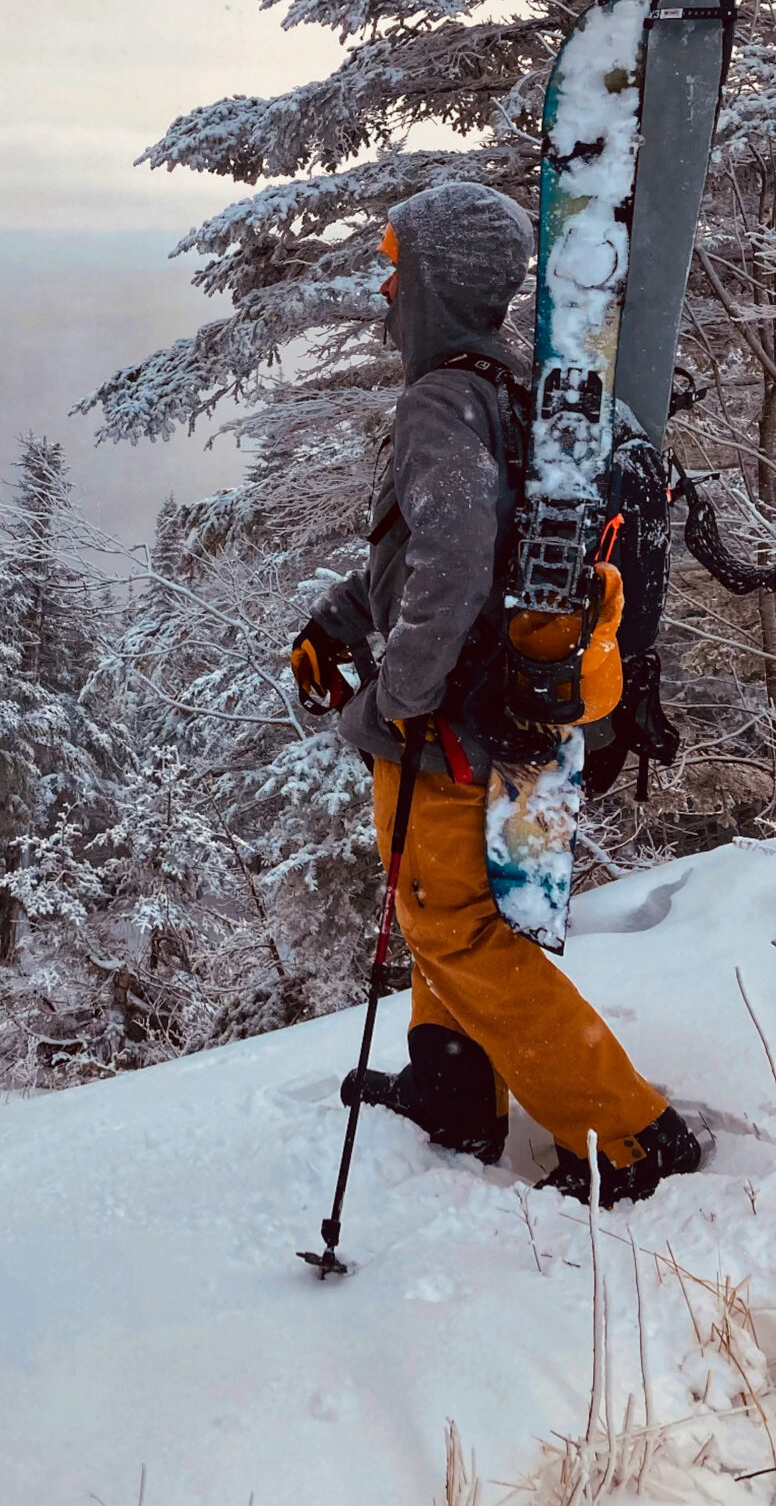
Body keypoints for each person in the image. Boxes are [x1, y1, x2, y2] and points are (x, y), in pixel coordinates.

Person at [290, 179, 700, 1208]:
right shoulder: (512, 388)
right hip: (502, 705)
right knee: (449, 910)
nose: (385, 288)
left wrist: (398, 694)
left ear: (435, 282)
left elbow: (460, 549)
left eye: (396, 266)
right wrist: (341, 619)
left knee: (449, 921)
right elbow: (422, 550)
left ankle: (632, 1134)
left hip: (449, 724)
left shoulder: (439, 399)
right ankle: (454, 1085)